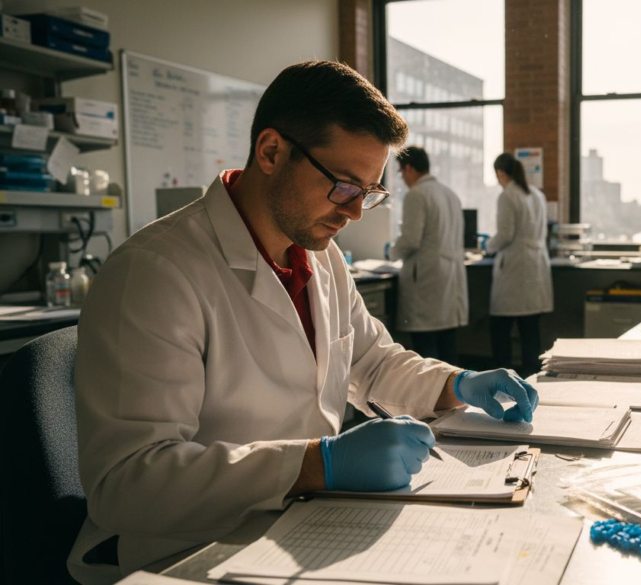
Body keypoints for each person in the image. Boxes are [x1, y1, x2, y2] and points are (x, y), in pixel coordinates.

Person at [69, 61, 538, 582]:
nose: (356, 211)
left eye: (370, 191)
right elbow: (127, 483)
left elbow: (372, 362)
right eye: (343, 185)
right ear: (271, 152)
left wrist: (457, 384)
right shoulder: (155, 272)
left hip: (307, 524)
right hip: (185, 554)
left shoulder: (320, 256)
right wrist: (319, 464)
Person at [389, 146, 468, 363]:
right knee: (447, 345)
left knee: (426, 349)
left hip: (427, 278)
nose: (403, 178)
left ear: (410, 169)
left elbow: (411, 239)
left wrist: (391, 253)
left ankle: (432, 397)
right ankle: (455, 396)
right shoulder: (450, 194)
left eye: (401, 171)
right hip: (449, 276)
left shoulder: (417, 194)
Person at [486, 153, 554, 375]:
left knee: (501, 327)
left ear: (501, 173)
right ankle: (532, 376)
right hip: (534, 264)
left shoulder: (508, 195)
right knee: (530, 329)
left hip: (515, 266)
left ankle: (503, 376)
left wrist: (487, 247)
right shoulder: (536, 194)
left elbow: (505, 234)